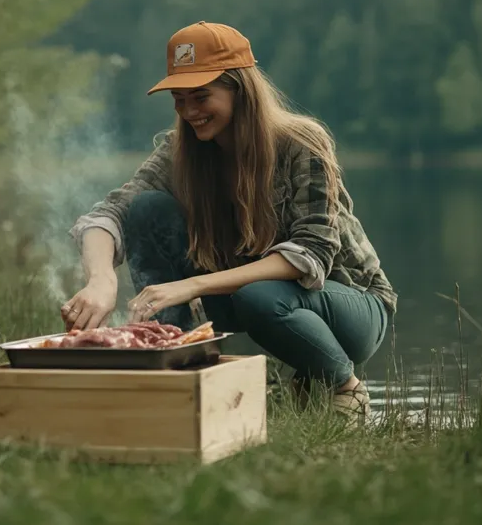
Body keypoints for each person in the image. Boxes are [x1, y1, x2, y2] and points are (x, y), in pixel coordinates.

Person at [63, 21, 396, 422]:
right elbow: (109, 213)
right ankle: (181, 372)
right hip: (250, 295)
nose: (189, 113)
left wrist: (189, 286)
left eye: (201, 97)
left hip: (349, 304)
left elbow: (312, 254)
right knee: (146, 209)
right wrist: (102, 279)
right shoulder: (181, 151)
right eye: (179, 100)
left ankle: (344, 386)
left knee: (259, 295)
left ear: (241, 90)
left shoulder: (302, 144)